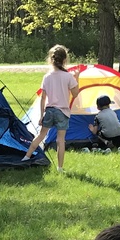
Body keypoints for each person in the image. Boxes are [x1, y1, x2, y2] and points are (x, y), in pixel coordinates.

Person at [22, 44, 79, 173]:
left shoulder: (47, 76)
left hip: (49, 110)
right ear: (65, 60)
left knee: (41, 135)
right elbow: (75, 94)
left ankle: (26, 157)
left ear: (51, 59)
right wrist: (77, 78)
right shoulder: (68, 76)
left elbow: (43, 98)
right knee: (60, 140)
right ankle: (59, 168)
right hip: (62, 112)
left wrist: (41, 115)